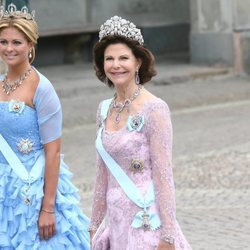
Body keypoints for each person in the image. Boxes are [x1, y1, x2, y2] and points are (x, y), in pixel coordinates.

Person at [89, 16, 192, 250]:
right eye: (109, 59)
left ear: (138, 62)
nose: (116, 65)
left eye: (123, 58)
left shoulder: (155, 109)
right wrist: (94, 226)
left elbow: (164, 175)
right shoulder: (103, 109)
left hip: (146, 221)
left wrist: (168, 235)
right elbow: (101, 174)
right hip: (116, 225)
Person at [0, 3, 90, 249]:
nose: (9, 48)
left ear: (30, 45)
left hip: (35, 187)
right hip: (3, 188)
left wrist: (48, 208)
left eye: (17, 42)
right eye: (3, 42)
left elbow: (54, 151)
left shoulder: (42, 88)